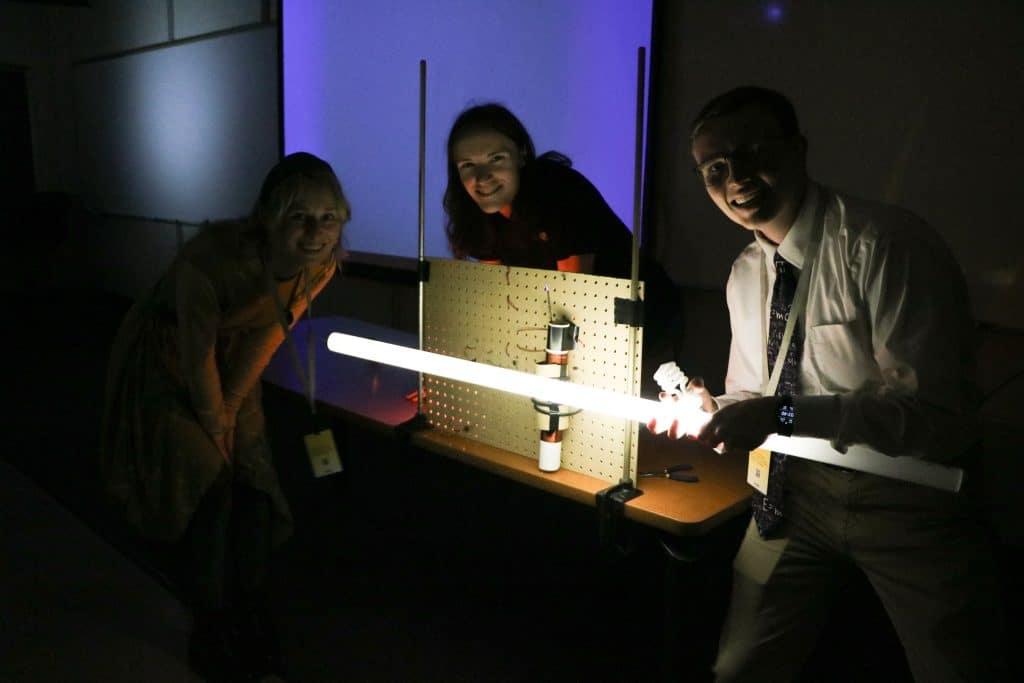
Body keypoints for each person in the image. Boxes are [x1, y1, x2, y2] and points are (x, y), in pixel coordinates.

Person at [648, 87, 1010, 681]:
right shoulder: (746, 272)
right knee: (741, 667)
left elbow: (931, 417)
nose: (735, 178)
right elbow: (756, 393)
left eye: (752, 152)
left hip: (909, 496)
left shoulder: (883, 245)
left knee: (959, 666)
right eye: (715, 169)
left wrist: (780, 416)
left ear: (798, 149)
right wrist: (717, 407)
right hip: (794, 493)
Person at [100, 152, 349, 681]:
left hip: (235, 359)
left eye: (327, 217)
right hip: (169, 357)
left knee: (253, 478)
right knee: (210, 481)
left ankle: (249, 603)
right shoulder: (210, 261)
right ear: (268, 217)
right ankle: (210, 621)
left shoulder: (321, 264)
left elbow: (269, 332)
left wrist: (232, 409)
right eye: (298, 216)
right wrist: (215, 425)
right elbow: (196, 357)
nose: (315, 232)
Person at [443, 102, 683, 392]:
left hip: (641, 322)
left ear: (521, 154)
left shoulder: (558, 191)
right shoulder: (479, 216)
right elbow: (498, 300)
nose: (482, 178)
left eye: (496, 159)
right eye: (468, 165)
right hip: (582, 326)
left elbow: (575, 299)